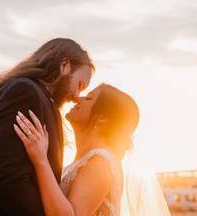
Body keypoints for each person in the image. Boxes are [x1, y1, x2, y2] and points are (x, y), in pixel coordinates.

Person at [0, 38, 94, 216]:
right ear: (65, 65)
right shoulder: (24, 91)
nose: (76, 95)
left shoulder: (35, 96)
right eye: (80, 85)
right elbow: (8, 179)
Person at [14, 83, 140, 216]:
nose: (78, 99)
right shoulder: (86, 162)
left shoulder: (100, 164)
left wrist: (40, 160)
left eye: (88, 98)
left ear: (101, 118)